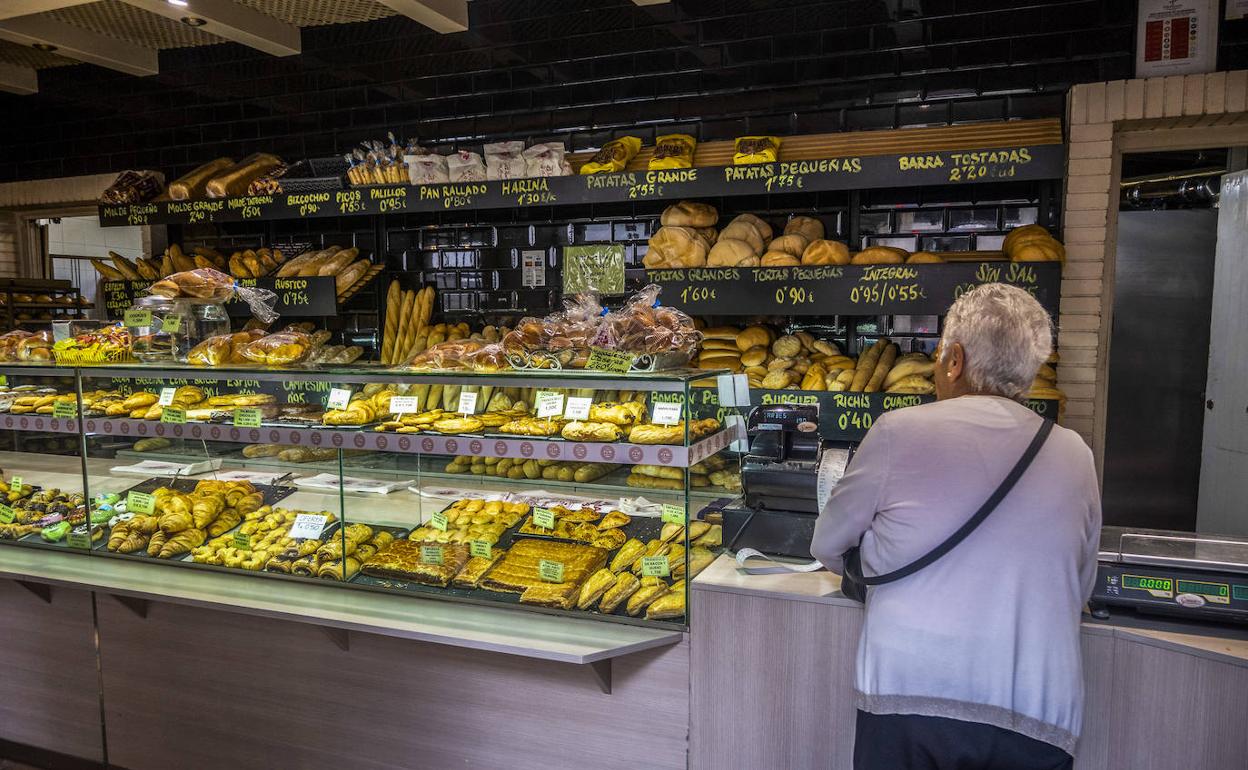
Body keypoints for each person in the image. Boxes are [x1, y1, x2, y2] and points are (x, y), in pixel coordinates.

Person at [810, 283, 1101, 770]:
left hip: (910, 696)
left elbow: (828, 544)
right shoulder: (1075, 454)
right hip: (1037, 713)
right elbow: (1080, 584)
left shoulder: (899, 431)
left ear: (954, 360)